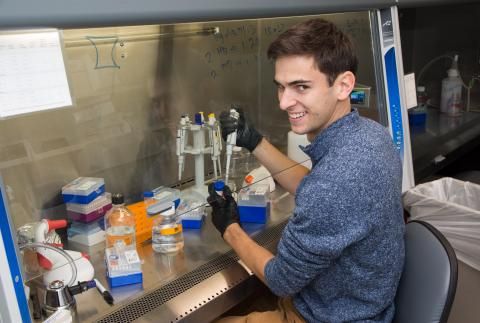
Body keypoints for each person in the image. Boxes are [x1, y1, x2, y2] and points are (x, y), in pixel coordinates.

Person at [207, 18, 405, 323]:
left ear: (343, 85)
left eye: (301, 87)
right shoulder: (370, 135)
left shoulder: (339, 178)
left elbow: (281, 278)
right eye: (281, 87)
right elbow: (313, 186)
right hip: (355, 305)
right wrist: (254, 141)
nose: (285, 102)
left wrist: (229, 228)